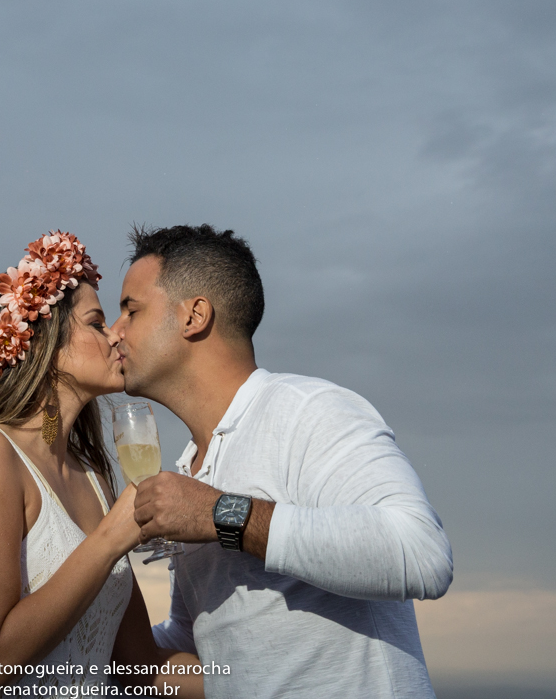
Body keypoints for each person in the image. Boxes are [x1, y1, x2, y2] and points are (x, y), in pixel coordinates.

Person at [113, 224, 454, 698]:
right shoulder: (190, 469)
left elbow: (420, 553)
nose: (114, 332)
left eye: (131, 309)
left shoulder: (307, 410)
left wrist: (220, 513)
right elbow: (208, 648)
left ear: (194, 316)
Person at [0, 231, 204, 698]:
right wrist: (111, 538)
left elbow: (138, 667)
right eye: (97, 323)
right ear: (45, 343)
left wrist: (260, 680)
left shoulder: (93, 479)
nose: (116, 333)